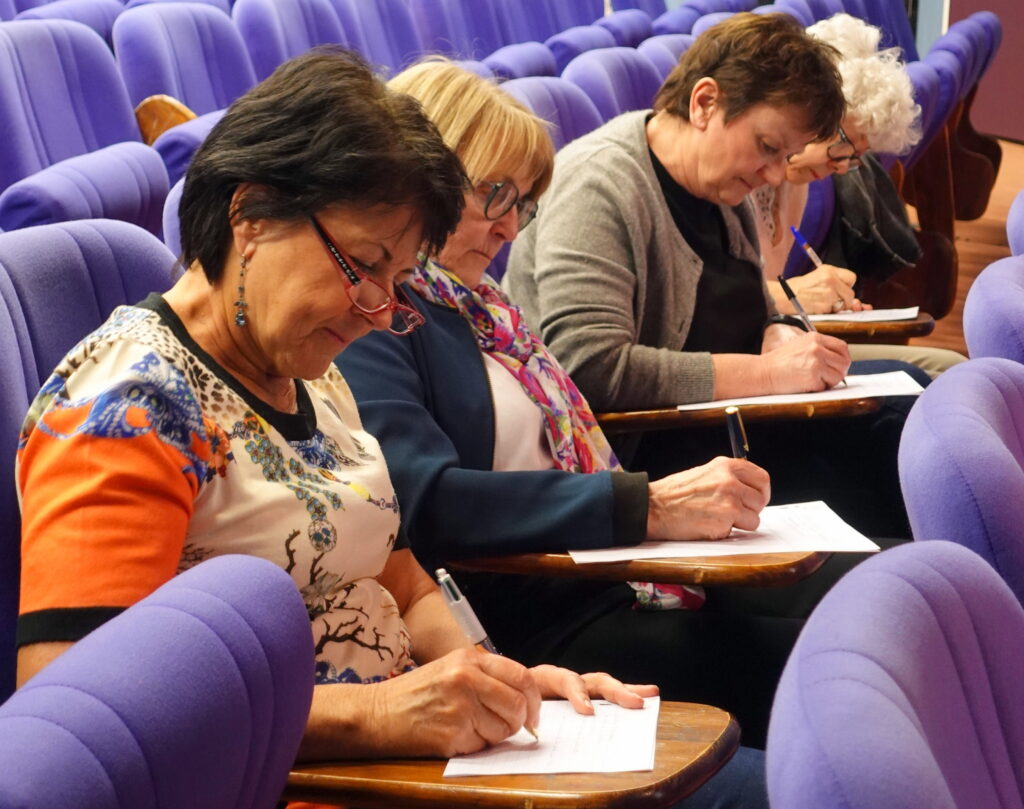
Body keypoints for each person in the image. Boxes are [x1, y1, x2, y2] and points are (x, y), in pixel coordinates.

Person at [15, 49, 660, 767]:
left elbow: (404, 584)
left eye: (399, 279)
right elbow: (76, 720)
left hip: (422, 757)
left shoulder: (311, 376)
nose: (381, 311)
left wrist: (496, 683)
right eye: (364, 264)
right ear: (251, 215)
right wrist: (378, 715)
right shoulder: (130, 406)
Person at [338, 57, 882, 766]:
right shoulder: (381, 317)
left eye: (521, 203)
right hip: (534, 617)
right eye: (493, 194)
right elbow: (424, 501)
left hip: (604, 573)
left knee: (874, 627)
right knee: (849, 678)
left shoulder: (481, 306)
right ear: (421, 182)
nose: (509, 227)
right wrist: (643, 505)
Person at [502, 12, 927, 538]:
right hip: (666, 463)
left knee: (916, 399)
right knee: (901, 441)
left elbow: (757, 310)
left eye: (787, 156)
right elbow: (589, 368)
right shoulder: (599, 185)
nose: (775, 174)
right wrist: (770, 375)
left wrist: (780, 334)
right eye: (768, 147)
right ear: (704, 103)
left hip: (737, 426)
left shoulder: (722, 184)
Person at [754, 12, 966, 378]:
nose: (842, 168)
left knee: (952, 370)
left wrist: (813, 300)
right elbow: (710, 302)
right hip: (751, 362)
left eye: (856, 159)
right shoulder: (744, 176)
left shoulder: (797, 184)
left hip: (777, 341)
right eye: (843, 148)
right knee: (933, 377)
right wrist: (793, 294)